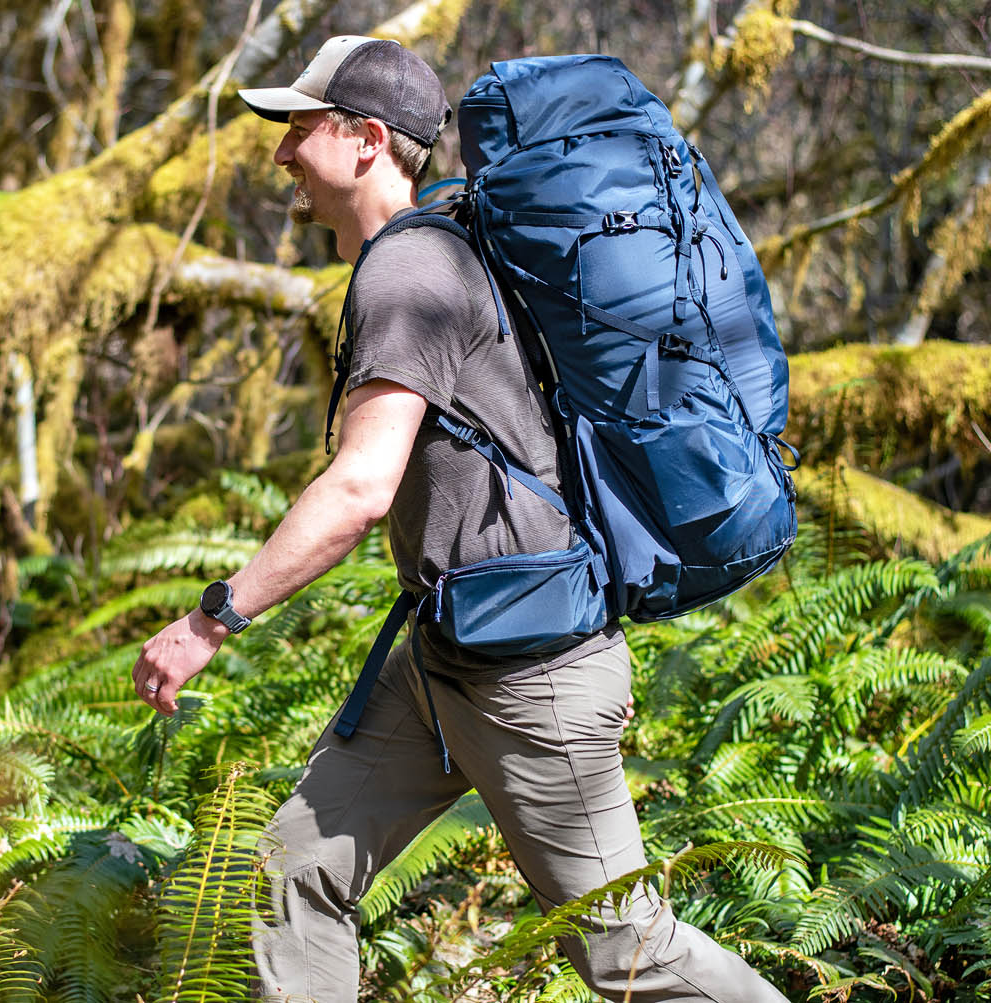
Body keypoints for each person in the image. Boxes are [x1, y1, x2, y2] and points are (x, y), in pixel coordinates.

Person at [131, 34, 790, 1003]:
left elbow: (359, 488)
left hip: (533, 676)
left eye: (298, 131)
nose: (280, 156)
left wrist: (208, 620)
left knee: (623, 952)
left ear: (363, 140)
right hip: (447, 658)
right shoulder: (441, 242)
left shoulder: (411, 275)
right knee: (294, 870)